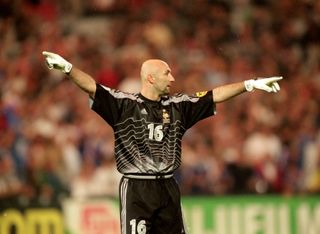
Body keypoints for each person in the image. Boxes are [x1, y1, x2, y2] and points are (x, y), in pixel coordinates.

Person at [42, 51, 282, 234]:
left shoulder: (178, 106)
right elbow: (92, 87)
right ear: (150, 78)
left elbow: (213, 95)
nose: (173, 78)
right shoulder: (124, 105)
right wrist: (68, 68)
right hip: (137, 188)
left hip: (168, 187)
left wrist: (250, 84)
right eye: (167, 73)